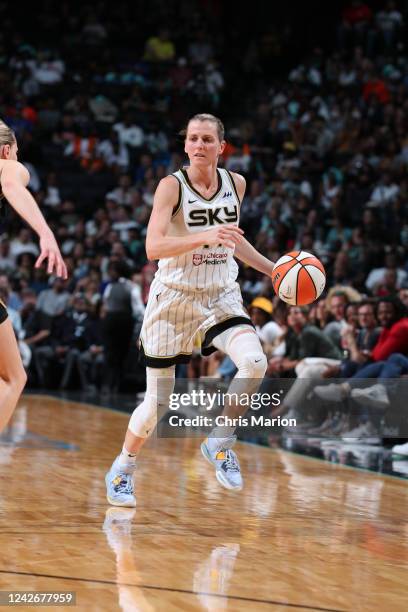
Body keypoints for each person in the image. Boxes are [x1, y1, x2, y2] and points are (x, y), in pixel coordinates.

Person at [105, 113, 274, 506]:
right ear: (185, 146)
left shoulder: (237, 184)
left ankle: (219, 442)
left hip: (220, 294)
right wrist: (205, 235)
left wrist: (275, 270)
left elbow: (231, 241)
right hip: (174, 297)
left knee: (255, 363)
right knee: (157, 405)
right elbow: (153, 248)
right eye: (193, 139)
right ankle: (123, 468)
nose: (199, 145)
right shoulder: (171, 187)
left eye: (206, 139)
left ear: (221, 146)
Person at [0, 119, 67, 432]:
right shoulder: (8, 165)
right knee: (14, 378)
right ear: (7, 149)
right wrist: (45, 233)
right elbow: (13, 184)